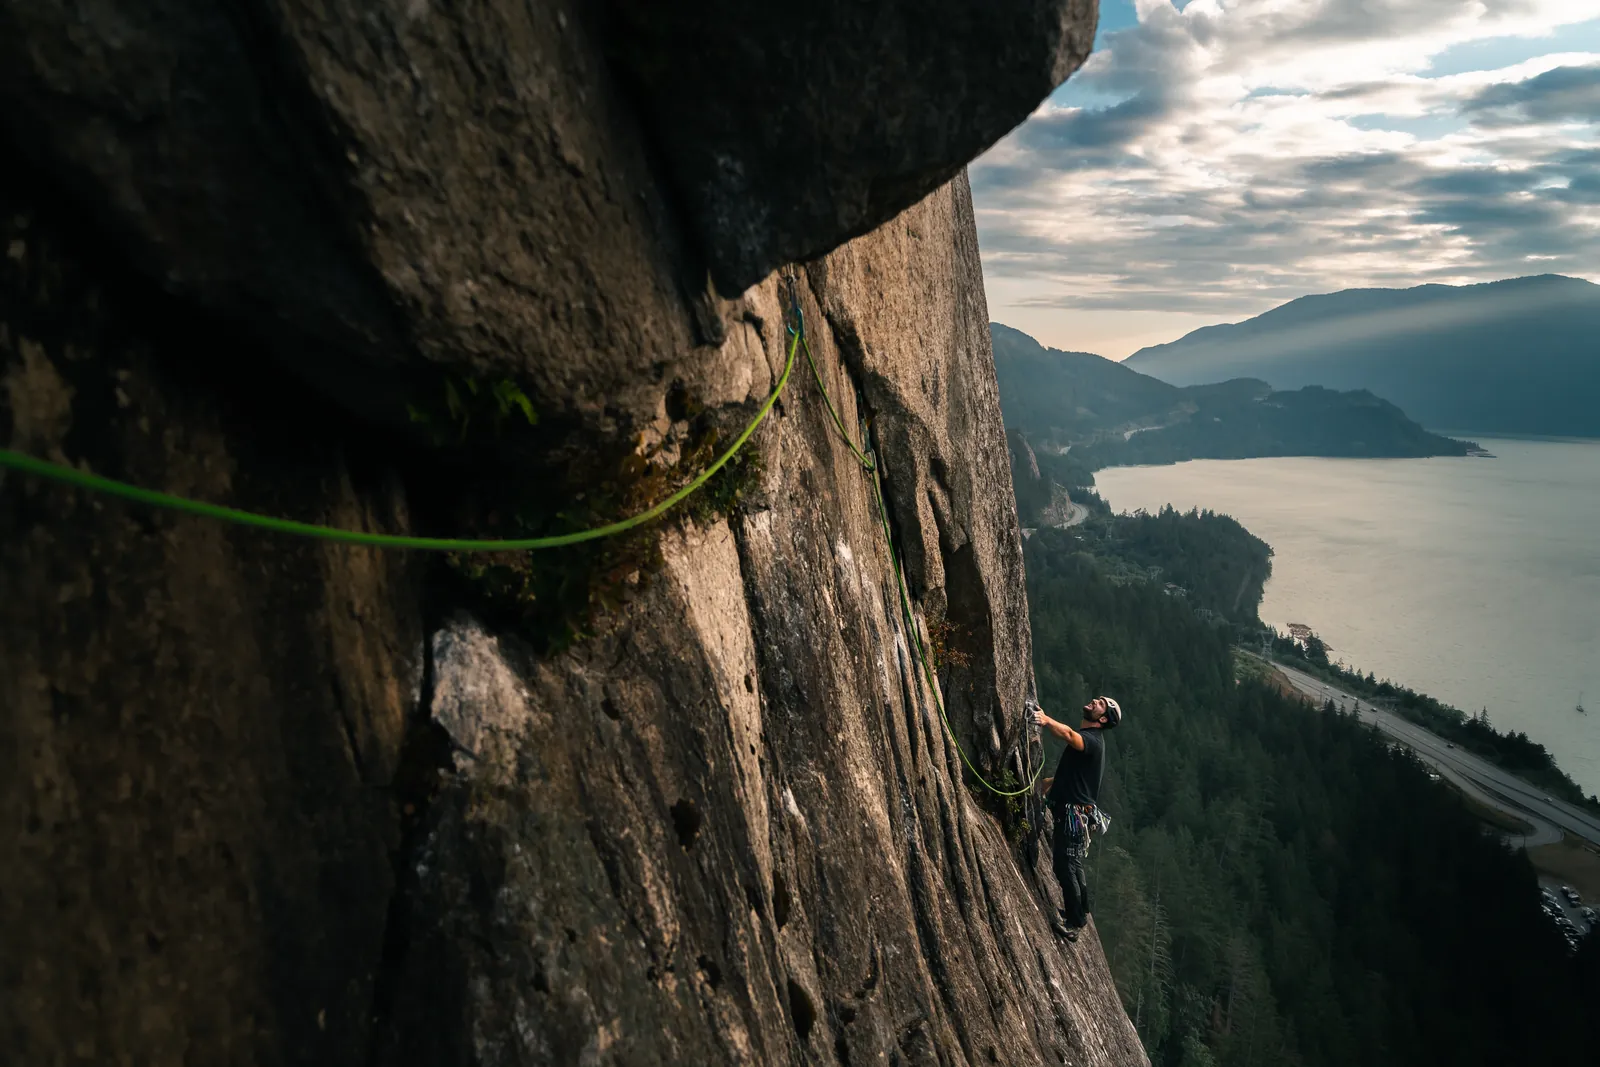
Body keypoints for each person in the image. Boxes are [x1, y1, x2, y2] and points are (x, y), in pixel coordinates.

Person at [1031, 695, 1122, 942]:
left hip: (1074, 815)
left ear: (1102, 719)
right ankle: (1081, 910)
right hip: (1076, 813)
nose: (1094, 701)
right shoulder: (1092, 741)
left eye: (1100, 704)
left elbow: (1070, 735)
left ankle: (1075, 922)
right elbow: (1073, 776)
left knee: (1065, 865)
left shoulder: (1092, 741)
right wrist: (1046, 784)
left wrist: (1046, 720)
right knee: (1073, 864)